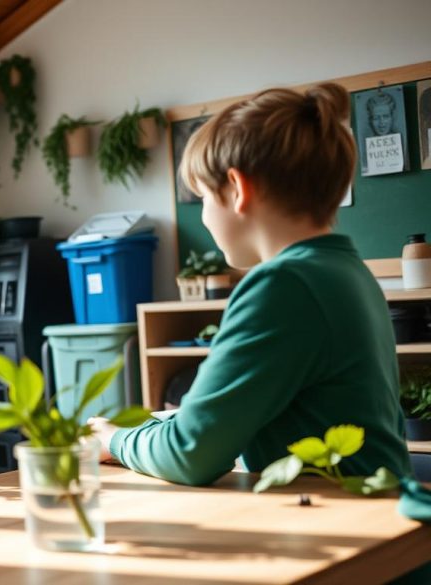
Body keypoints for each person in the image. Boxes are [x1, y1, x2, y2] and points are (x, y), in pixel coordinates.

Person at [90, 83, 413, 488]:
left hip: (344, 522)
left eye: (205, 197)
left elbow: (189, 454)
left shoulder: (284, 284)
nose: (205, 217)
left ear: (238, 190)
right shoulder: (346, 271)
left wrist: (114, 439)